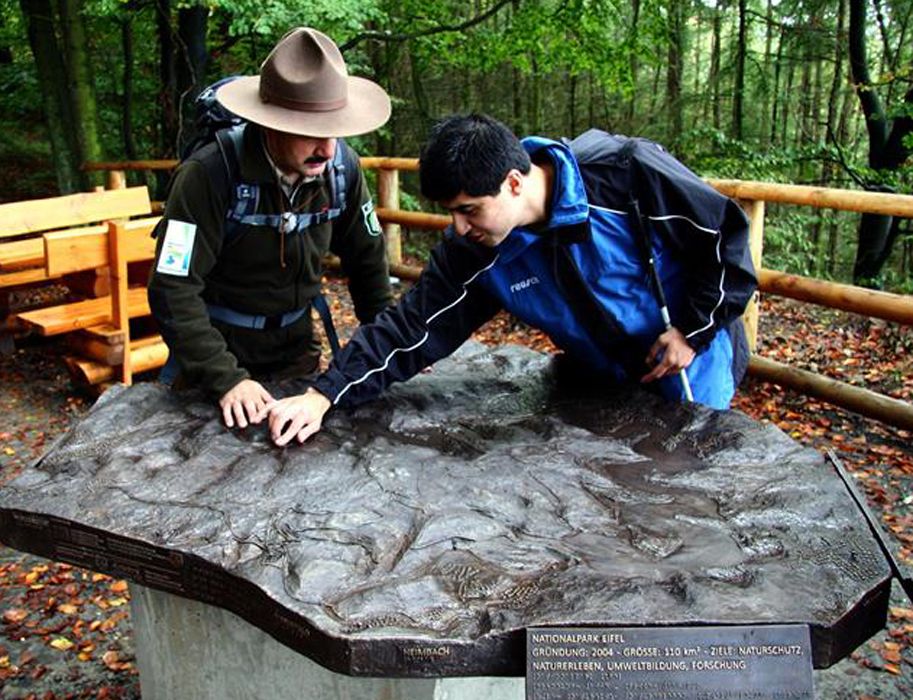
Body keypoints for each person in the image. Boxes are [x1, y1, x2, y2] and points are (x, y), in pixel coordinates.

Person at [265, 113, 758, 446]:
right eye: (452, 213)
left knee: (691, 475)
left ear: (513, 182)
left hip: (690, 358)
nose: (458, 227)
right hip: (603, 376)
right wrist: (326, 393)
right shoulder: (477, 250)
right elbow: (412, 328)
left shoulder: (627, 175)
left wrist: (692, 331)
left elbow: (726, 239)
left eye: (468, 210)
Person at [148, 27, 394, 430]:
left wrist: (386, 353)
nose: (327, 149)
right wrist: (225, 378)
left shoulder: (342, 169)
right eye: (311, 132)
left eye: (334, 130)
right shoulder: (209, 175)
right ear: (270, 124)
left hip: (298, 352)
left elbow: (369, 266)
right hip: (215, 357)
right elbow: (172, 286)